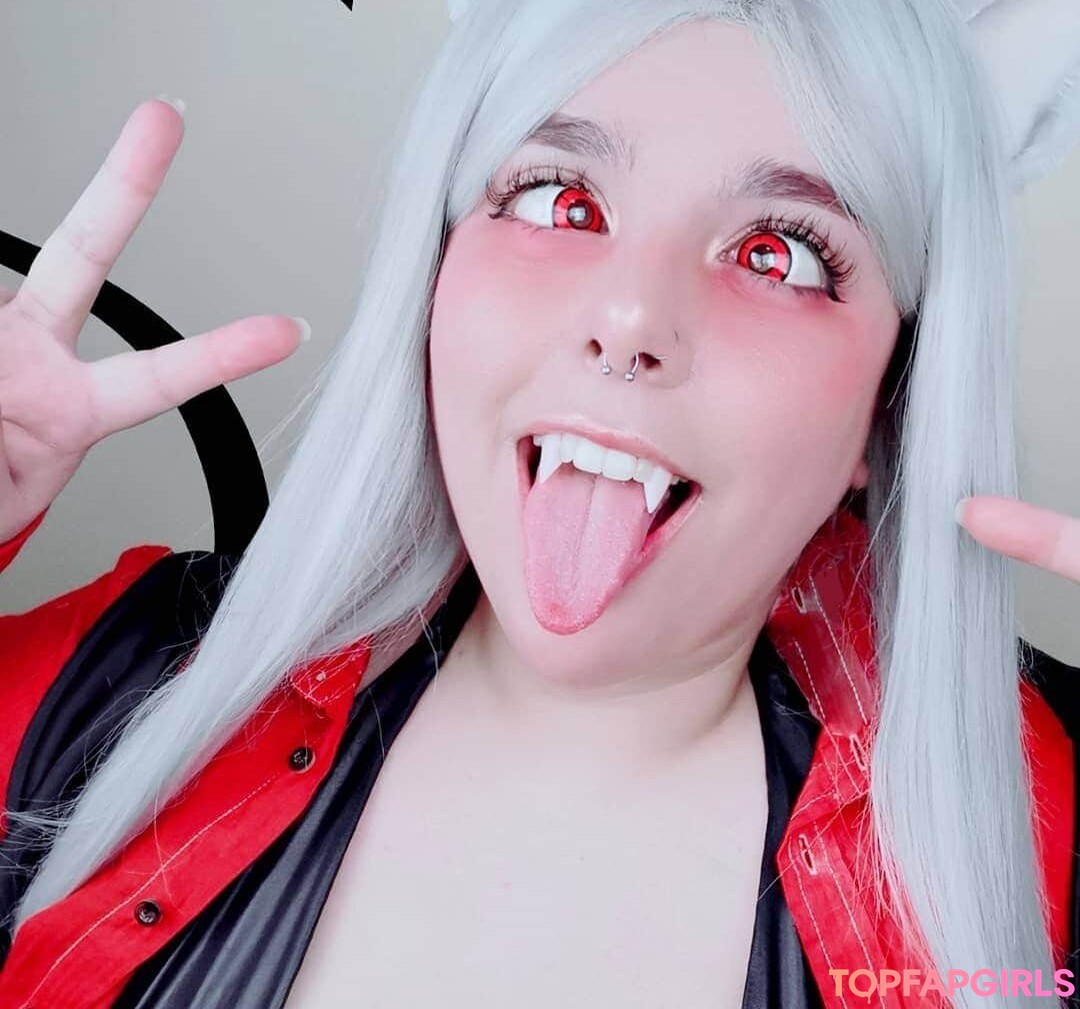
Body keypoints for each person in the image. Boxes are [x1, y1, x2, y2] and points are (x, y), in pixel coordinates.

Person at [1, 0, 1079, 1006]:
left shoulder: (1054, 836)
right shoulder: (112, 675)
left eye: (776, 254)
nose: (629, 316)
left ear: (894, 396)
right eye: (563, 201)